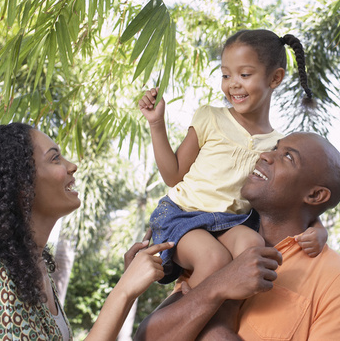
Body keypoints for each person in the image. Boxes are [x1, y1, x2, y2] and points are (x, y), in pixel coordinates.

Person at [0, 123, 173, 340]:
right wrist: (124, 290)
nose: (72, 165)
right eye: (55, 158)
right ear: (20, 184)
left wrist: (127, 286)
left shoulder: (34, 271)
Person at [134, 132, 340, 341]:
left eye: (288, 157)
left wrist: (212, 325)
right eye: (274, 148)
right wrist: (217, 287)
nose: (265, 155)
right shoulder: (213, 246)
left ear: (315, 196)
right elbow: (146, 337)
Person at [138, 29, 326, 287]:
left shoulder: (279, 146)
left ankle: (215, 313)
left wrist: (319, 230)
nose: (233, 83)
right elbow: (173, 175)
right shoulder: (210, 117)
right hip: (183, 215)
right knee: (213, 259)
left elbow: (296, 199)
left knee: (253, 247)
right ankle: (177, 319)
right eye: (226, 75)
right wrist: (156, 123)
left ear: (275, 78)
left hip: (231, 223)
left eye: (244, 74)